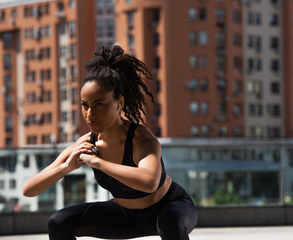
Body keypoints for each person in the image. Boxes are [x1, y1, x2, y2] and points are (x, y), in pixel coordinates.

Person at [22, 45, 198, 240]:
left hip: (169, 207)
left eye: (99, 104)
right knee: (59, 223)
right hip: (125, 217)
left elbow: (149, 182)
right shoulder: (86, 143)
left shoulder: (142, 139)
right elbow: (29, 190)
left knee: (170, 224)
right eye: (85, 105)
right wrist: (65, 168)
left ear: (119, 102)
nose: (90, 114)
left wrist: (98, 163)